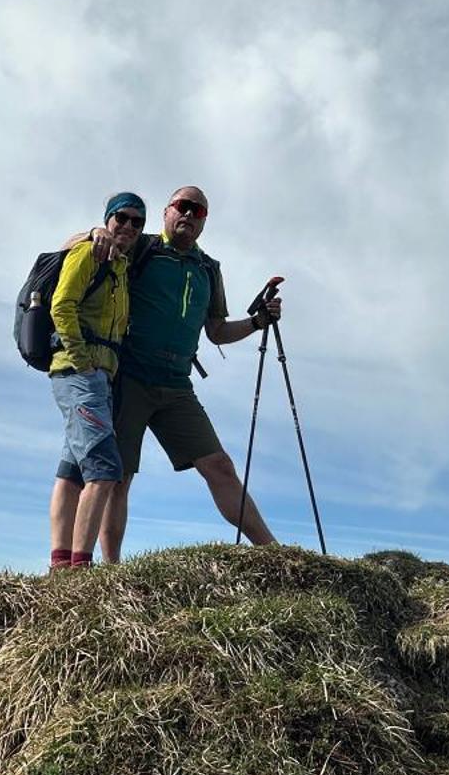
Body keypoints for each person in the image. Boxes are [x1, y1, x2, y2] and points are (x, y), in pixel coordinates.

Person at [57, 184, 282, 561]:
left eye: (199, 211)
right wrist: (95, 232)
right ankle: (113, 570)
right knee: (118, 478)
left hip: (177, 385)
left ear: (204, 222)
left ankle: (275, 554)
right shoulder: (141, 247)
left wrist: (258, 322)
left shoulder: (208, 269)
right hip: (129, 377)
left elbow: (216, 332)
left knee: (220, 466)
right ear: (167, 212)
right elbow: (71, 248)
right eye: (183, 206)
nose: (190, 215)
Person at [44, 192, 145, 570]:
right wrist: (83, 359)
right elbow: (61, 305)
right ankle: (79, 567)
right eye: (122, 218)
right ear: (108, 219)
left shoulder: (120, 265)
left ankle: (60, 565)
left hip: (97, 377)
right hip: (79, 373)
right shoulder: (90, 252)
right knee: (105, 469)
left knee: (72, 471)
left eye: (138, 222)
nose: (130, 227)